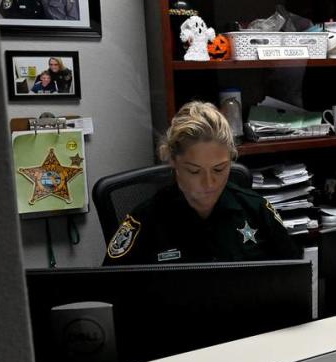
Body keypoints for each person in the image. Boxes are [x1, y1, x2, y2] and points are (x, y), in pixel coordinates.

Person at [103, 101, 300, 265]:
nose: (209, 183)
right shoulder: (145, 220)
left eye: (219, 169)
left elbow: (294, 278)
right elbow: (111, 294)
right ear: (174, 161)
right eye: (194, 171)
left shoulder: (256, 210)